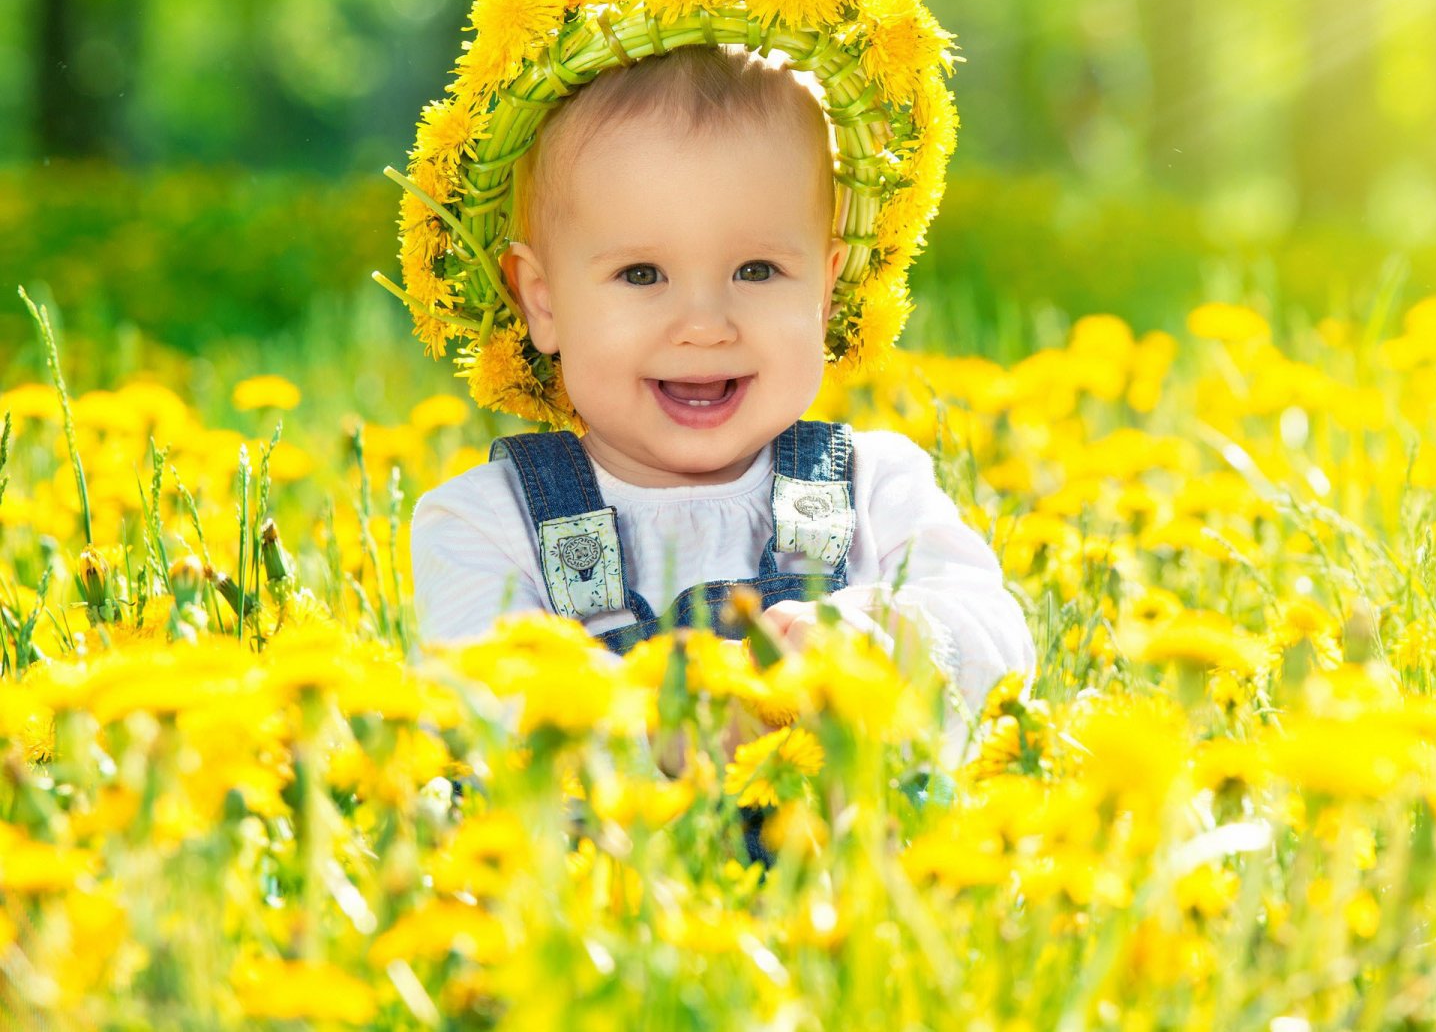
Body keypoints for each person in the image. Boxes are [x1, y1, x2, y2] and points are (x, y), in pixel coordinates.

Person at [406, 38, 1036, 777]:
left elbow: (998, 647)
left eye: (757, 269)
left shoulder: (874, 485)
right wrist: (669, 721)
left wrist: (875, 639)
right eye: (642, 274)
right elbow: (480, 709)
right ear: (542, 300)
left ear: (824, 290)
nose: (705, 323)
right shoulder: (488, 520)